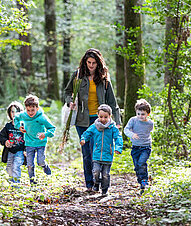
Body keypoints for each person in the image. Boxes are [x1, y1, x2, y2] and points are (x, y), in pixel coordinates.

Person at [64, 48, 121, 191]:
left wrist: (118, 121)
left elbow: (112, 102)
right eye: (89, 62)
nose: (91, 65)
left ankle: (101, 180)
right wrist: (69, 101)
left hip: (100, 120)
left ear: (98, 63)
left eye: (94, 63)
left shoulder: (104, 79)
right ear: (85, 62)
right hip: (82, 120)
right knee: (86, 152)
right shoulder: (77, 76)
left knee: (98, 150)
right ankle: (90, 184)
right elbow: (67, 92)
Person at [80, 104, 123, 196]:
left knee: (105, 175)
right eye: (101, 117)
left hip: (108, 154)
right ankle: (96, 183)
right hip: (96, 154)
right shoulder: (94, 126)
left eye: (106, 117)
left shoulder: (112, 128)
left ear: (110, 116)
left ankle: (104, 190)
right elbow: (87, 133)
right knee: (95, 172)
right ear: (97, 115)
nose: (103, 119)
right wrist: (83, 139)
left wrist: (118, 148)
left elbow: (118, 138)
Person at [14, 94, 55, 184]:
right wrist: (19, 127)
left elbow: (52, 128)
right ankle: (32, 181)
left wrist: (45, 134)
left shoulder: (42, 117)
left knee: (40, 161)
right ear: (25, 109)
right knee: (29, 165)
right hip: (29, 143)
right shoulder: (24, 115)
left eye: (33, 110)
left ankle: (45, 166)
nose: (30, 113)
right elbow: (16, 118)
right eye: (28, 110)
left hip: (40, 143)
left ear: (37, 108)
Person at [123, 99, 154, 194]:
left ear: (148, 114)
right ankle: (141, 182)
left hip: (146, 147)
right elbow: (126, 129)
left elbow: (148, 132)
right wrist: (132, 135)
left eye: (143, 114)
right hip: (135, 147)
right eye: (138, 113)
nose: (140, 116)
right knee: (137, 166)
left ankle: (145, 180)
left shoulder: (150, 123)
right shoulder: (133, 120)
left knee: (141, 163)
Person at [0, 101, 26, 184]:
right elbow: (1, 136)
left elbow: (28, 138)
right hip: (10, 151)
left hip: (20, 151)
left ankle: (16, 184)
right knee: (9, 167)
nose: (14, 114)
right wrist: (5, 141)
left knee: (16, 166)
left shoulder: (24, 126)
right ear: (9, 113)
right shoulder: (8, 126)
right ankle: (12, 180)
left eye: (17, 112)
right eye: (12, 111)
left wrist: (26, 150)